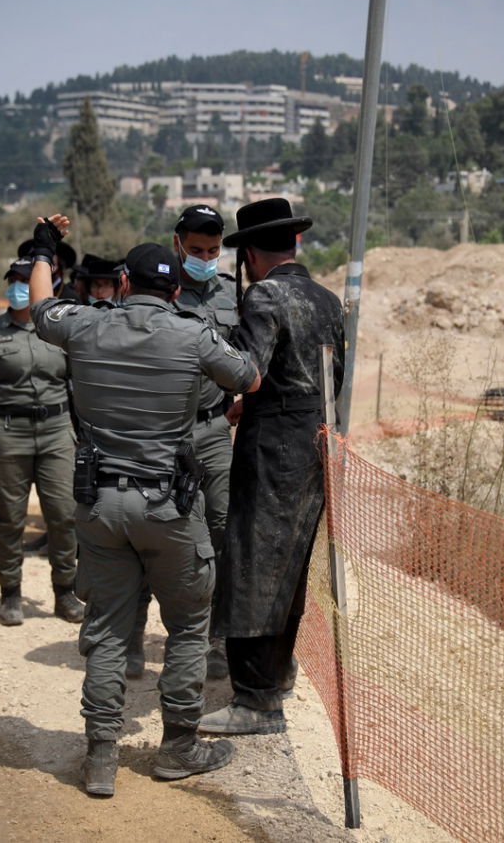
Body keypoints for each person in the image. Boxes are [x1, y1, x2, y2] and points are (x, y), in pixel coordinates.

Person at [25, 214, 260, 798]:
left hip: (100, 505)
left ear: (123, 284)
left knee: (105, 632)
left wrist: (44, 247)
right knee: (185, 627)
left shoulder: (83, 324)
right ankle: (178, 749)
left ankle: (100, 758)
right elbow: (250, 377)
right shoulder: (191, 332)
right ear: (177, 290)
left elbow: (37, 304)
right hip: (167, 507)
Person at [199, 197, 345, 737]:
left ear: (252, 255)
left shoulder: (265, 294)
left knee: (251, 565)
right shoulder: (329, 300)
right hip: (314, 443)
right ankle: (279, 678)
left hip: (271, 448)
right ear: (296, 244)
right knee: (291, 565)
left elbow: (248, 372)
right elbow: (333, 379)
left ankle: (255, 701)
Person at [122, 205, 238, 681]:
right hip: (162, 432)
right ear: (178, 244)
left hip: (213, 430)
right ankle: (130, 636)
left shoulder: (233, 292)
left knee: (221, 526)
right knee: (148, 528)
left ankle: (213, 638)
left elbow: (248, 354)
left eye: (212, 251)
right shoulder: (158, 287)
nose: (204, 258)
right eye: (195, 250)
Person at [0, 256, 84, 627]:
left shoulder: (60, 330)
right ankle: (10, 594)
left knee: (64, 516)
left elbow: (79, 383)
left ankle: (65, 593)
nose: (18, 287)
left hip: (56, 431)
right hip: (8, 432)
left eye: (24, 280)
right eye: (13, 280)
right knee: (10, 518)